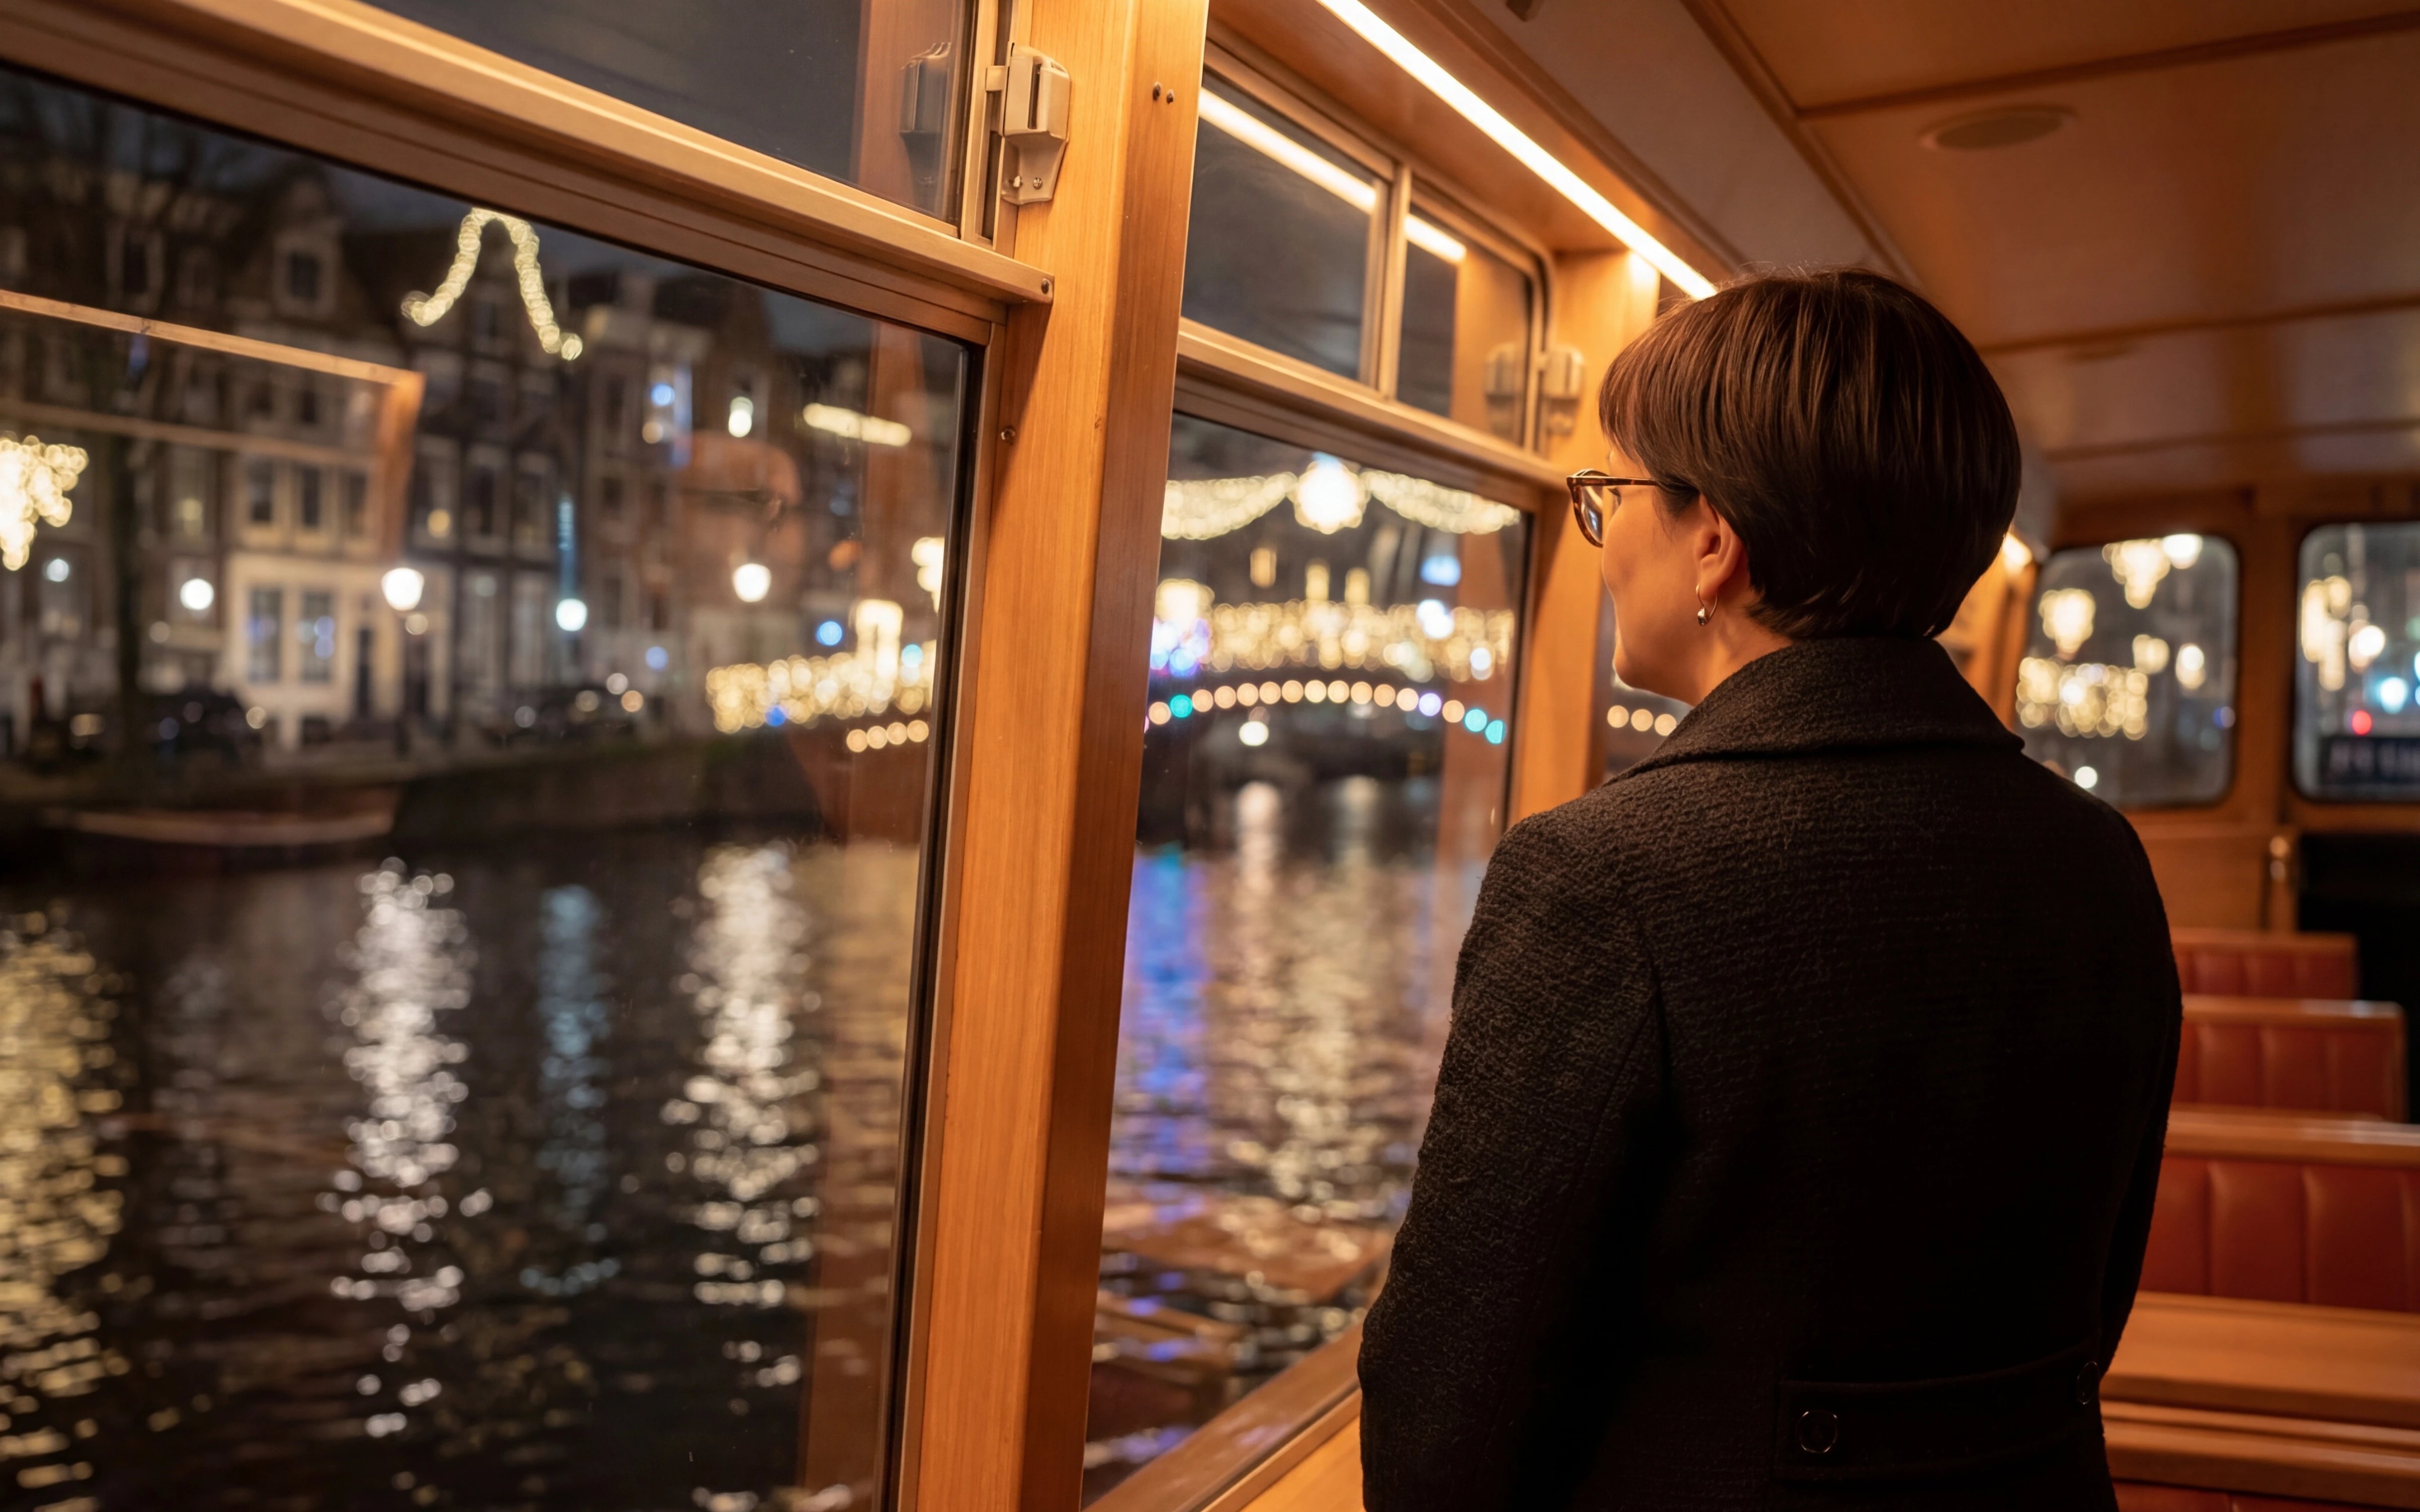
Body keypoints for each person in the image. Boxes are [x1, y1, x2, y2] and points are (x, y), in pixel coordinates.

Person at [1358, 269, 2180, 1511]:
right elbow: (2090, 1297)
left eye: (1610, 496)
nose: (1598, 542)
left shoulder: (1605, 876)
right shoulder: (2098, 858)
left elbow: (1450, 1398)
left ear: (1713, 539)